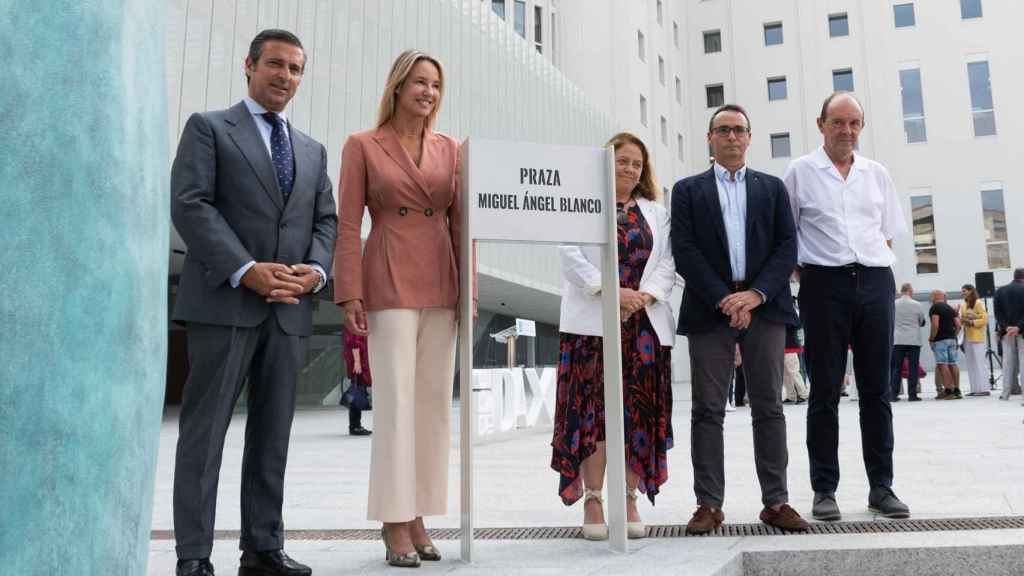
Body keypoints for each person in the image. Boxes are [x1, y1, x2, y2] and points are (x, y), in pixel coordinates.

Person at [170, 29, 335, 576]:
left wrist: (314, 271)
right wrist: (247, 270)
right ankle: (194, 556)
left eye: (295, 69)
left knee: (273, 437)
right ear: (249, 65)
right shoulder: (210, 128)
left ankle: (263, 549)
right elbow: (191, 205)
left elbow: (326, 221)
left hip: (289, 312)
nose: (285, 76)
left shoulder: (312, 149)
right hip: (225, 305)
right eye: (275, 65)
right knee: (206, 434)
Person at [334, 49, 465, 568]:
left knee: (432, 406)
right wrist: (350, 292)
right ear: (396, 86)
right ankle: (394, 519)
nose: (427, 92)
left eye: (435, 83)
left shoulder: (451, 148)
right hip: (387, 276)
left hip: (441, 280)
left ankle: (418, 514)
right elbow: (348, 224)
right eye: (418, 82)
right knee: (394, 406)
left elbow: (462, 225)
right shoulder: (362, 145)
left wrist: (468, 294)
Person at [673, 104, 808, 534]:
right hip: (709, 307)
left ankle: (776, 501)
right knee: (707, 409)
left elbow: (787, 245)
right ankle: (708, 504)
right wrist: (725, 299)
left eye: (739, 130)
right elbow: (685, 249)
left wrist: (754, 295)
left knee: (769, 406)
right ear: (710, 139)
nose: (732, 137)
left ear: (749, 138)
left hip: (765, 307)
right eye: (723, 130)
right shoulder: (687, 190)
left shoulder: (771, 188)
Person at [783, 92, 910, 522]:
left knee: (876, 390)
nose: (847, 131)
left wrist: (869, 274)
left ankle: (882, 487)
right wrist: (809, 276)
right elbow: (787, 234)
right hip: (823, 284)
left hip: (874, 280)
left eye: (854, 123)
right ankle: (824, 489)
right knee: (824, 390)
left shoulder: (876, 174)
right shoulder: (800, 172)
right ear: (821, 124)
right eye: (838, 122)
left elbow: (887, 232)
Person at [552, 132, 676, 541]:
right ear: (605, 163)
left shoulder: (656, 212)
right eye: (622, 160)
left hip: (642, 326)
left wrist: (644, 297)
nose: (629, 169)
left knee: (636, 412)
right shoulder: (583, 204)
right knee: (595, 414)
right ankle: (593, 498)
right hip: (591, 326)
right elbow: (569, 255)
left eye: (637, 164)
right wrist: (609, 290)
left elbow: (668, 261)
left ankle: (629, 496)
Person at [891, 283, 926, 402]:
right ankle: (912, 395)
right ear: (910, 291)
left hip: (898, 339)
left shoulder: (893, 304)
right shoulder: (917, 304)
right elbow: (921, 321)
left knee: (897, 368)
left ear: (901, 291)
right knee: (913, 367)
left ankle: (893, 394)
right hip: (913, 339)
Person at [994, 269, 1024, 401]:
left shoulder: (1000, 291)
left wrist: (1006, 327)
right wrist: (1018, 327)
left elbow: (997, 312)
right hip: (1022, 331)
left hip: (1006, 331)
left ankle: (1005, 393)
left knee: (1007, 362)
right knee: (1023, 362)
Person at [929, 290, 962, 400]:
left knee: (942, 364)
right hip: (952, 339)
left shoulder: (935, 308)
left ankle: (948, 391)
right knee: (953, 363)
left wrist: (932, 338)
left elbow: (935, 325)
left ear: (934, 296)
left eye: (931, 296)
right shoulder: (950, 308)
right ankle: (957, 390)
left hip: (940, 340)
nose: (930, 298)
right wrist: (954, 335)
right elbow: (958, 325)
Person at [959, 284, 990, 396]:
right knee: (971, 363)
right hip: (967, 337)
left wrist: (972, 322)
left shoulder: (978, 303)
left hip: (977, 337)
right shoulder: (963, 305)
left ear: (971, 291)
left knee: (980, 363)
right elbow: (962, 319)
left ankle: (984, 389)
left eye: (965, 291)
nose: (963, 293)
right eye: (962, 291)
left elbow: (985, 319)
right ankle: (975, 389)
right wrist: (961, 320)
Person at [342, 329, 372, 435]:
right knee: (357, 390)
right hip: (360, 362)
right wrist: (357, 361)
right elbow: (354, 341)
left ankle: (355, 425)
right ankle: (355, 426)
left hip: (362, 360)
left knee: (358, 390)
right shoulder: (357, 321)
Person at [783, 323, 808, 404]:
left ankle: (803, 394)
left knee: (793, 371)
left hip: (790, 346)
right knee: (785, 374)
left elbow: (797, 325)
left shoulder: (791, 315)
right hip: (781, 347)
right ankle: (791, 396)